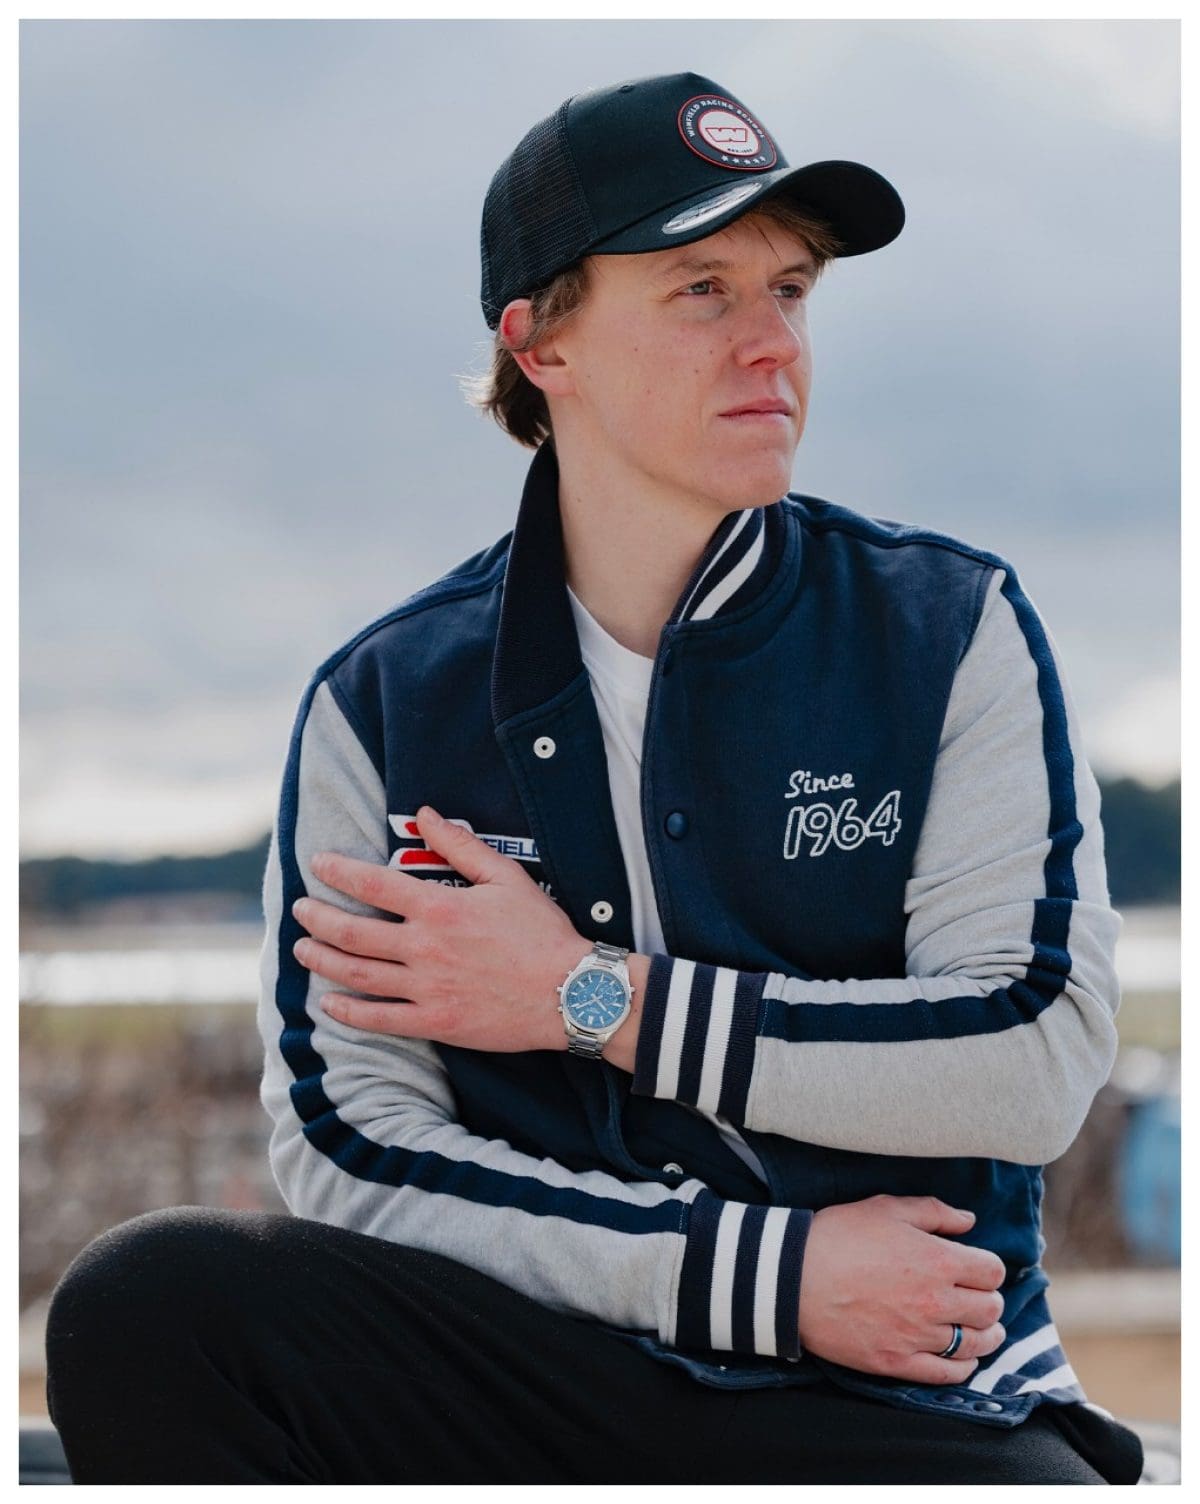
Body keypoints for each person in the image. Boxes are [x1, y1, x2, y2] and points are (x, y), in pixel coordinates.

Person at [44, 71, 1144, 1484]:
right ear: (539, 342)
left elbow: (1033, 1061)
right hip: (541, 1365)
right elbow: (351, 1148)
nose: (773, 347)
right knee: (151, 1305)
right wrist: (749, 1272)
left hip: (906, 1392)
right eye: (703, 292)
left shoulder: (947, 630)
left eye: (792, 291)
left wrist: (590, 1000)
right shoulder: (383, 704)